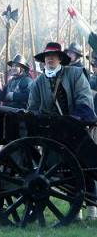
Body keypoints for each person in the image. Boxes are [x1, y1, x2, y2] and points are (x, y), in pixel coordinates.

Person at [28, 42, 97, 220]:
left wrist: (75, 119)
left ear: (60, 58)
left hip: (76, 129)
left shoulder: (74, 74)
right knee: (65, 173)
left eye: (53, 56)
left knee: (86, 168)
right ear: (43, 61)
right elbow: (33, 110)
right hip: (54, 134)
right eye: (46, 57)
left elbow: (84, 97)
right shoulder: (37, 84)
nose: (49, 59)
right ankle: (76, 212)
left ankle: (92, 211)